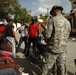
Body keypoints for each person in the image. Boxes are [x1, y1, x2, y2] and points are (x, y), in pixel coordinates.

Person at [41, 5, 71, 75]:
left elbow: (48, 36)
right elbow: (67, 35)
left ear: (54, 11)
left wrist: (43, 32)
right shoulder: (67, 22)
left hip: (52, 48)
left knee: (46, 66)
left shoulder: (52, 20)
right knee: (61, 66)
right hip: (63, 48)